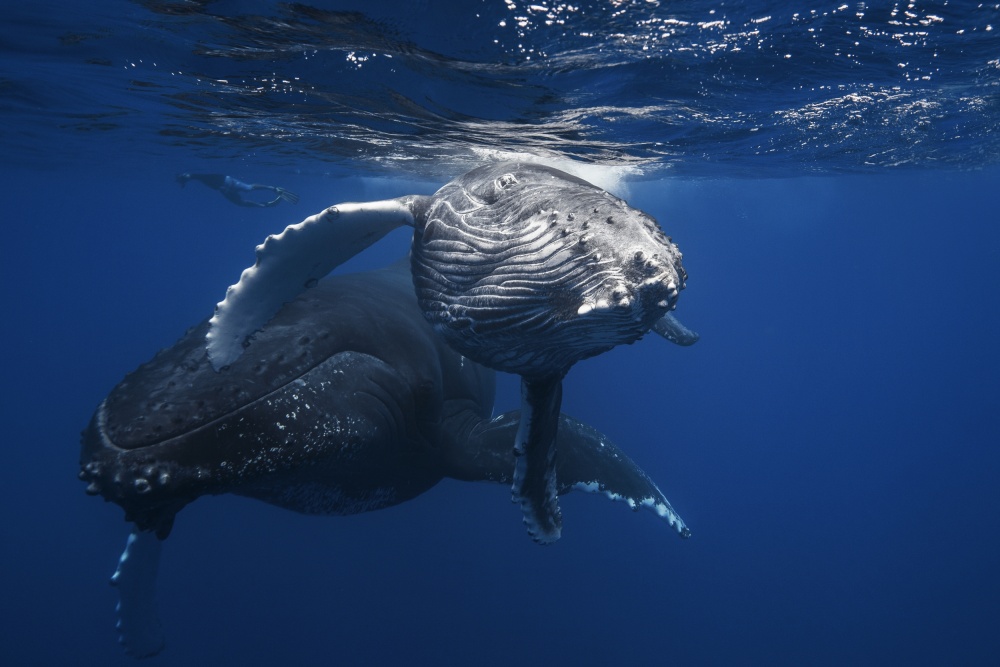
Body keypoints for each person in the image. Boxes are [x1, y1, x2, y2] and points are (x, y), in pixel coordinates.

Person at [176, 173, 299, 207]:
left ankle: (265, 203)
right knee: (248, 189)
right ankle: (271, 191)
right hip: (226, 182)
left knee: (243, 198)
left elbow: (190, 176)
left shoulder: (197, 176)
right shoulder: (199, 177)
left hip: (224, 185)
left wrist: (185, 178)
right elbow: (190, 176)